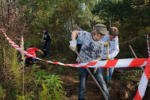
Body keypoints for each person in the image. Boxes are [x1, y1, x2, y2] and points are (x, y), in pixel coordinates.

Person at [69, 24, 110, 100]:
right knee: (82, 85)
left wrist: (96, 61)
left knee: (102, 82)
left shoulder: (101, 43)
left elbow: (100, 56)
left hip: (94, 66)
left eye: (103, 35)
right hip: (83, 64)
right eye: (100, 34)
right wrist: (73, 41)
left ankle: (107, 98)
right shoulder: (86, 35)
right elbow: (74, 32)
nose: (101, 36)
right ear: (95, 31)